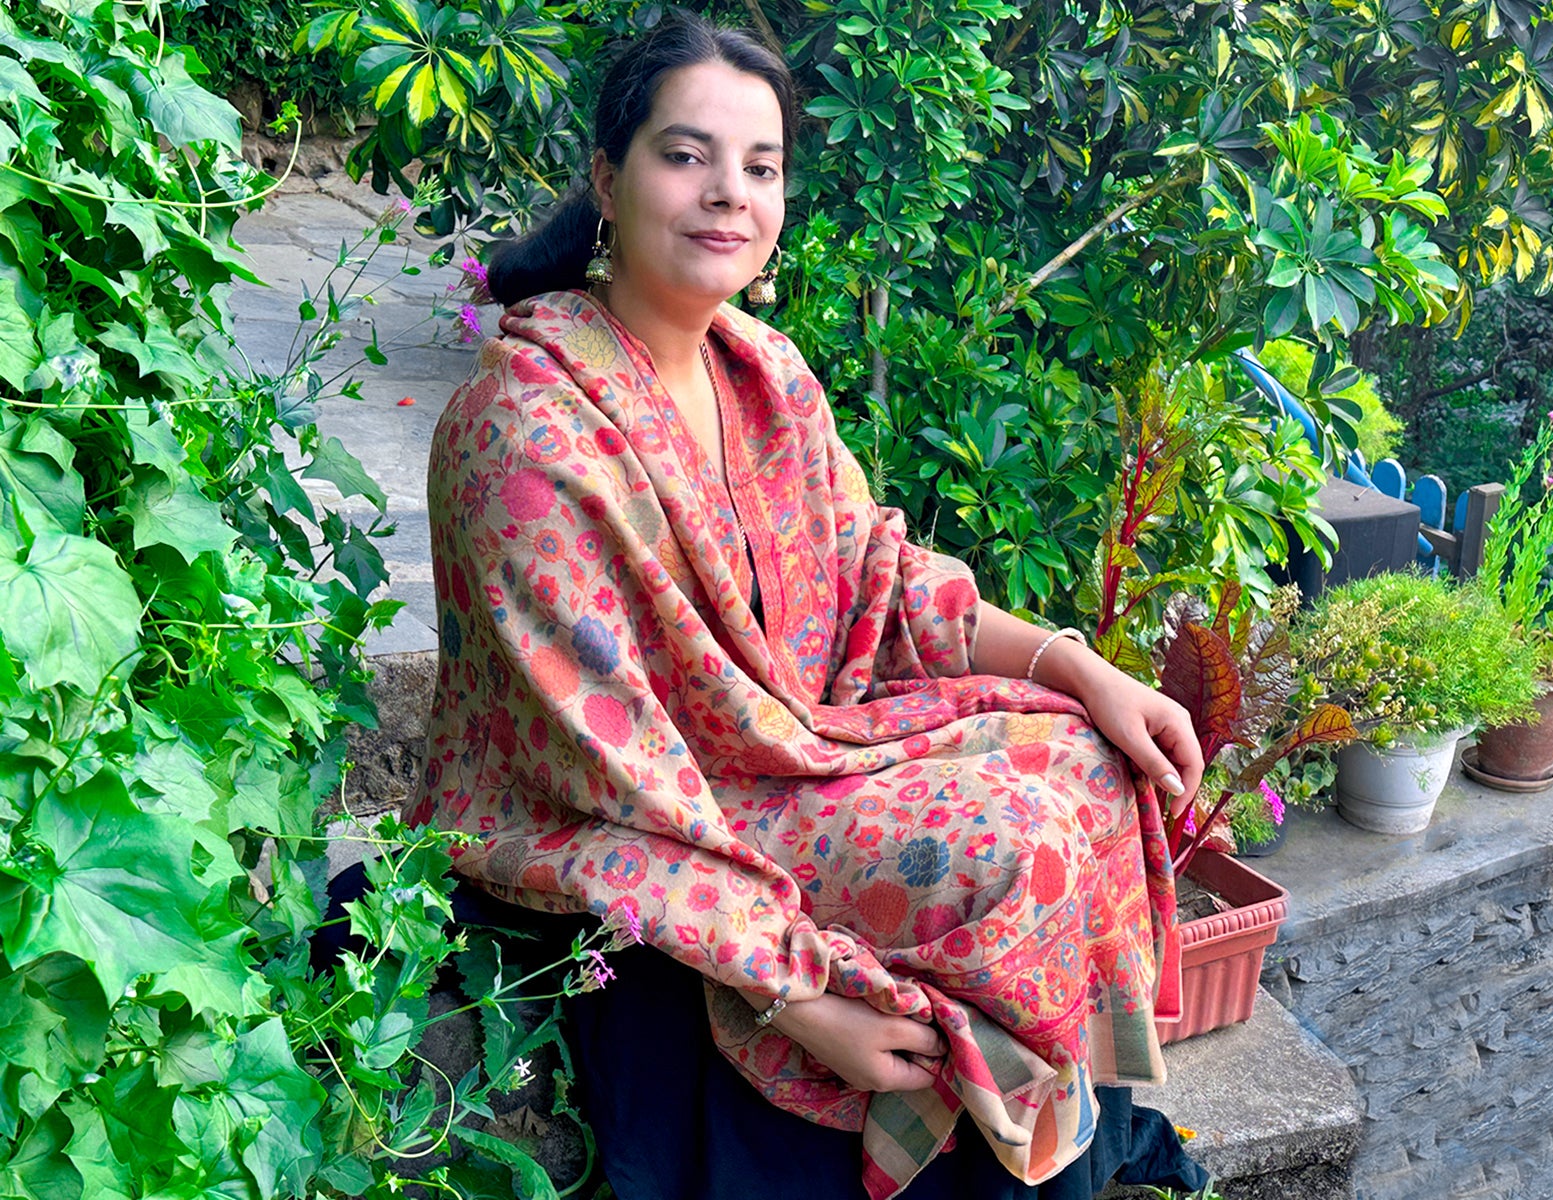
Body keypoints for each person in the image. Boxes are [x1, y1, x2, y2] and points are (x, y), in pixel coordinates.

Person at [405, 12, 1208, 1199]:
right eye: (685, 155)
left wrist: (1079, 667)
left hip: (789, 752)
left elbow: (877, 581)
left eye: (760, 167)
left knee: (1094, 765)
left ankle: (1049, 1110)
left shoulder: (764, 373)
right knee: (1012, 851)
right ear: (605, 181)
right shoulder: (524, 437)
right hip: (628, 811)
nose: (728, 193)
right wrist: (794, 992)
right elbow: (611, 781)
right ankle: (986, 1141)